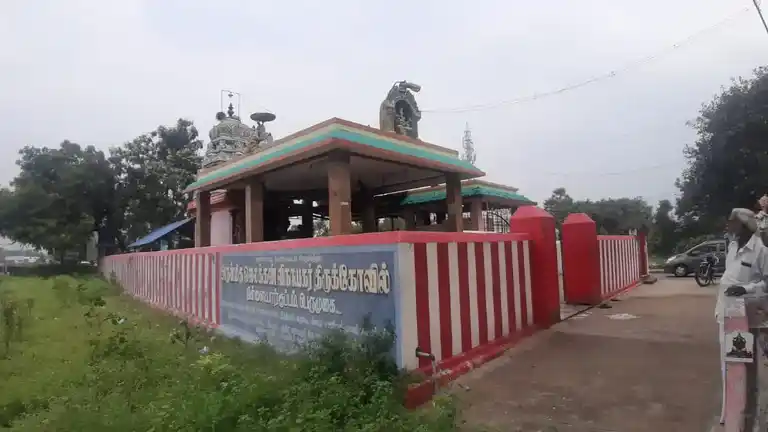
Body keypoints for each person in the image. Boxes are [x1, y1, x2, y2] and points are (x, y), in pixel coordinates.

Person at [719, 208, 768, 423]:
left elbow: (766, 283)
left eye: (733, 221)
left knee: (745, 368)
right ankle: (729, 413)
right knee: (729, 366)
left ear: (745, 224)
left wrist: (745, 289)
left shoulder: (760, 251)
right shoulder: (731, 245)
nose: (729, 225)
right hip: (727, 315)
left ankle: (747, 416)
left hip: (746, 318)